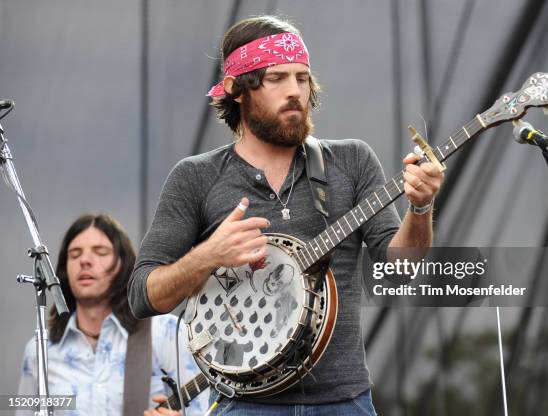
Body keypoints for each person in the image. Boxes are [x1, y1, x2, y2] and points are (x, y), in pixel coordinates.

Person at [128, 15, 444, 415]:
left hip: (344, 402)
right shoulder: (196, 177)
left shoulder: (351, 160)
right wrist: (209, 254)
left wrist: (420, 207)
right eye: (277, 78)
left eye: (302, 78)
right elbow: (142, 295)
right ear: (236, 90)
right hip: (244, 405)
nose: (295, 91)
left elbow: (399, 271)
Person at [18, 214, 208, 415]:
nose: (85, 261)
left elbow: (208, 409)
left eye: (100, 252)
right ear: (64, 271)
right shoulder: (39, 351)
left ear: (123, 264)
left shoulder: (166, 333)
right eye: (74, 254)